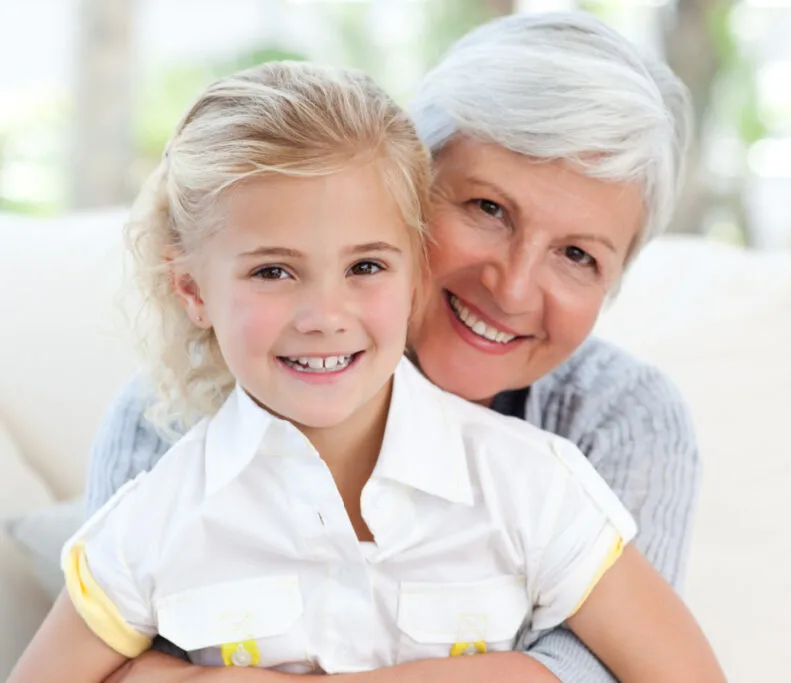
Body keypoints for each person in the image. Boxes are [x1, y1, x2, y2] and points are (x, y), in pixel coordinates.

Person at [8, 59, 720, 683]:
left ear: (413, 269)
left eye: (366, 266)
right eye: (274, 270)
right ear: (192, 290)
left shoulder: (537, 484)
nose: (323, 313)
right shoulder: (150, 513)